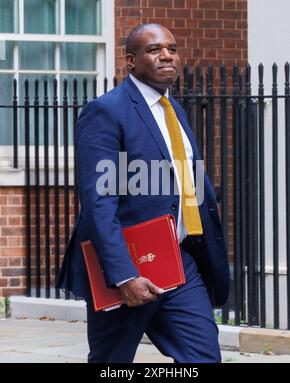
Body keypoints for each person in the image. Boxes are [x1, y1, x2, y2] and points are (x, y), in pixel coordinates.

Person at [56, 23, 230, 363]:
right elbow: (98, 202)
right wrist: (124, 275)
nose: (166, 55)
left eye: (172, 48)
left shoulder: (174, 110)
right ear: (130, 61)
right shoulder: (107, 111)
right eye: (154, 50)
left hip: (180, 262)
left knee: (204, 357)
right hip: (128, 266)